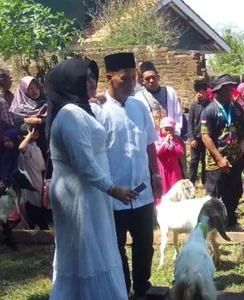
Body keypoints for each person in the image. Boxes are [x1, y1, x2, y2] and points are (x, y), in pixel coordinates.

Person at [47, 58, 137, 300]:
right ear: (70, 83)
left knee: (96, 246)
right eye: (85, 78)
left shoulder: (80, 110)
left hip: (90, 190)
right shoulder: (70, 114)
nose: (92, 82)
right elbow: (83, 160)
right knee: (85, 251)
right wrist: (112, 188)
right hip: (79, 192)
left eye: (92, 77)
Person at [91, 53, 162, 299]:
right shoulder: (96, 109)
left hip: (141, 192)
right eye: (126, 77)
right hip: (114, 194)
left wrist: (156, 175)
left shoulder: (139, 106)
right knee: (116, 246)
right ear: (109, 77)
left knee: (145, 244)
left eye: (134, 77)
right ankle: (122, 289)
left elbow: (150, 144)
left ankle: (142, 288)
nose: (132, 82)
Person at [201, 74, 244, 229]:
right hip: (217, 162)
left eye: (231, 88)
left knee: (235, 191)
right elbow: (205, 137)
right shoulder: (209, 111)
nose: (230, 91)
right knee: (215, 193)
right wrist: (219, 159)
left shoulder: (237, 108)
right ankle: (212, 225)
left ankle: (231, 220)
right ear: (218, 91)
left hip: (235, 158)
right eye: (226, 89)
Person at [134, 61, 183, 134]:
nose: (151, 81)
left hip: (171, 135)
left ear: (158, 77)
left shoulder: (170, 92)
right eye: (147, 78)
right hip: (152, 140)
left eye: (153, 77)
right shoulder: (138, 98)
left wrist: (176, 133)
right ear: (142, 81)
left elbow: (177, 114)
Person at [9, 76, 49, 160]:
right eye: (30, 88)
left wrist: (38, 121)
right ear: (24, 91)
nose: (35, 91)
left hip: (48, 144)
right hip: (29, 151)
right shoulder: (18, 110)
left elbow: (53, 120)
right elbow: (19, 128)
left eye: (36, 87)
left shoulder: (46, 103)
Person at [18, 125, 48, 230]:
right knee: (35, 216)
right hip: (34, 186)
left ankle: (45, 238)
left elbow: (21, 147)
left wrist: (28, 136)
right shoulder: (36, 148)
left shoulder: (30, 149)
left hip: (33, 188)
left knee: (36, 216)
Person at [155, 117, 184, 199]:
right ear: (161, 130)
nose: (168, 132)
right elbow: (158, 153)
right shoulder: (158, 140)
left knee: (175, 189)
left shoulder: (176, 140)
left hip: (174, 170)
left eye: (171, 129)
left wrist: (172, 146)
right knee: (164, 190)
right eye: (166, 129)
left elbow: (180, 152)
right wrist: (165, 143)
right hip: (162, 169)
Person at [188, 81, 209, 185]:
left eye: (201, 92)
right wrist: (191, 138)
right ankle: (191, 183)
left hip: (207, 139)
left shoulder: (210, 105)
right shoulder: (193, 106)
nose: (199, 94)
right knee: (194, 161)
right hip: (196, 138)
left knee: (206, 161)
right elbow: (190, 122)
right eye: (197, 92)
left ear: (206, 93)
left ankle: (205, 182)